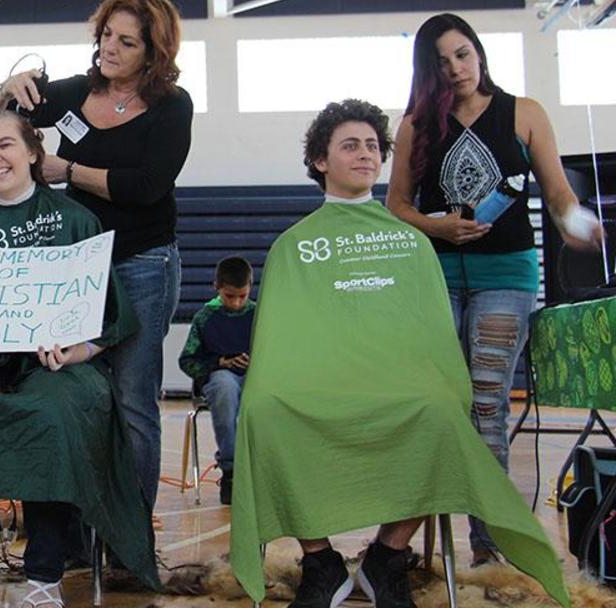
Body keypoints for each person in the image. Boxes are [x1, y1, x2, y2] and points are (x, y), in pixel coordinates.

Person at [229, 100, 568, 608]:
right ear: (321, 161)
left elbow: (428, 335)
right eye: (350, 145)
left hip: (396, 379)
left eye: (372, 145)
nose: (365, 154)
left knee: (441, 412)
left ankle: (387, 558)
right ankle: (320, 563)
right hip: (321, 379)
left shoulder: (411, 243)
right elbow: (283, 340)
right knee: (264, 412)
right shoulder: (293, 247)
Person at [0, 109, 159, 608]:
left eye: (4, 145)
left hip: (55, 364)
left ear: (33, 152)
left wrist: (80, 348)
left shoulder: (76, 220)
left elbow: (111, 318)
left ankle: (45, 575)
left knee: (55, 410)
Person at [385, 13, 605, 565]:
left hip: (507, 276)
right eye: (441, 61)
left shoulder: (524, 113)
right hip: (436, 279)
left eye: (462, 54)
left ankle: (491, 548)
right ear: (427, 70)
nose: (455, 69)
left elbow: (558, 197)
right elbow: (397, 207)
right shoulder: (415, 123)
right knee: (440, 407)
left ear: (479, 53)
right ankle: (404, 545)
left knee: (487, 407)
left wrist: (582, 228)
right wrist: (437, 226)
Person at [0, 0, 193, 512]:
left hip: (144, 263)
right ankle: (72, 527)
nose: (110, 49)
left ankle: (129, 532)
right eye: (106, 36)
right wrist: (6, 87)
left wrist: (67, 171)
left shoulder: (171, 106)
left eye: (127, 42)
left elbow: (146, 186)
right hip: (78, 267)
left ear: (153, 52)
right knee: (70, 394)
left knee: (133, 401)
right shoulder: (75, 92)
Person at [177, 255, 255, 505]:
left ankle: (268, 471)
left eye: (242, 296)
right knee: (224, 385)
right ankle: (231, 471)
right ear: (216, 287)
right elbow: (187, 360)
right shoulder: (205, 318)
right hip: (219, 379)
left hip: (254, 378)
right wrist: (219, 363)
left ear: (250, 288)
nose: (236, 303)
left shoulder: (260, 314)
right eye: (230, 296)